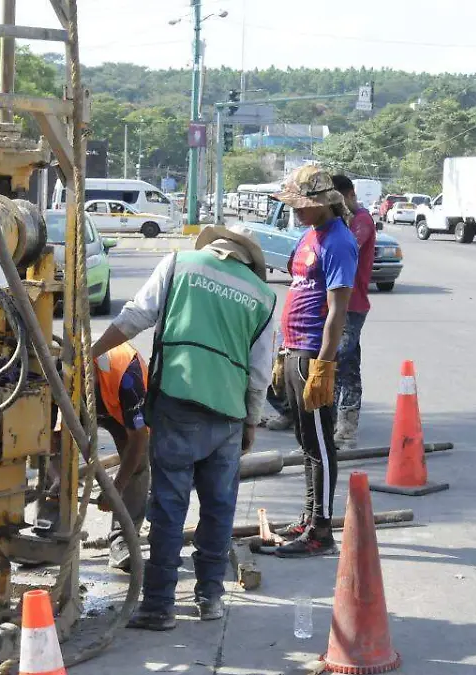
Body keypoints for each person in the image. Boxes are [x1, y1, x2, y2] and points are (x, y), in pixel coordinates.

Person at [91, 223, 276, 630]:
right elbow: (260, 372)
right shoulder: (263, 295)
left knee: (169, 507)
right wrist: (250, 423)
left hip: (177, 404)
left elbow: (135, 316)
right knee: (218, 509)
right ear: (249, 258)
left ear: (216, 243)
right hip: (227, 414)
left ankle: (159, 606)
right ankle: (209, 597)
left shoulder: (180, 264)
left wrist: (90, 353)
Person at [271, 165, 357, 558]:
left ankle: (321, 531)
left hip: (313, 353)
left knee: (321, 445)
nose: (297, 211)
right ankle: (309, 516)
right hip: (294, 349)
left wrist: (323, 365)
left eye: (302, 205)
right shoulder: (308, 235)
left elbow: (338, 311)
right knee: (306, 441)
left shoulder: (339, 241)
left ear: (323, 202)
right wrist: (281, 351)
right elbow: (297, 292)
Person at [35, 343, 150, 573]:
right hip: (85, 404)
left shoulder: (128, 376)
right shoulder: (55, 378)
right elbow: (45, 437)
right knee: (53, 458)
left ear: (92, 373)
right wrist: (57, 476)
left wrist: (116, 488)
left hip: (118, 407)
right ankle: (49, 528)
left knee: (138, 466)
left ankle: (123, 540)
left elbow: (138, 441)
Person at [330, 174, 375, 451]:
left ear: (349, 195)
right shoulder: (338, 222)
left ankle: (345, 429)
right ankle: (336, 425)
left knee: (340, 364)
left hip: (352, 305)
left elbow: (347, 250)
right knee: (344, 364)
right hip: (335, 304)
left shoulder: (361, 221)